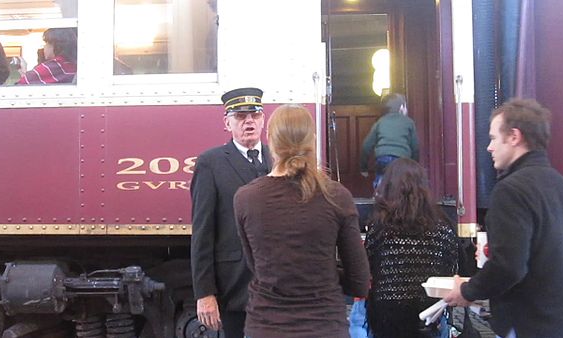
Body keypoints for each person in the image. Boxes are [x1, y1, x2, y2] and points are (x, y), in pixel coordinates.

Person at [233, 104, 370, 338]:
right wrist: (322, 272)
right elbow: (360, 282)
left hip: (265, 328)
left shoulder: (246, 198)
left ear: (271, 141)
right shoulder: (336, 196)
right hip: (325, 327)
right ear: (313, 140)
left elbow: (257, 267)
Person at [444, 99, 563, 338]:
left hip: (528, 323)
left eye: (494, 138)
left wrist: (467, 291)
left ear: (514, 136)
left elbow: (509, 266)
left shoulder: (511, 190)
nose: (489, 147)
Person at [190, 87, 272, 338]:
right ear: (227, 123)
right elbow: (203, 232)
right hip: (235, 286)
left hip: (277, 284)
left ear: (263, 119)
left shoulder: (278, 158)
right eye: (240, 116)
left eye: (255, 115)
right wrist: (205, 293)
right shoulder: (211, 163)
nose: (249, 121)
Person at [364, 158, 458, 338]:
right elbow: (452, 269)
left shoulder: (379, 227)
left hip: (386, 318)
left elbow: (368, 267)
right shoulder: (443, 226)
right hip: (430, 315)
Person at [360, 93, 419, 188]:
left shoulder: (380, 122)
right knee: (401, 183)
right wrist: (415, 164)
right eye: (405, 106)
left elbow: (366, 146)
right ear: (401, 107)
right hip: (401, 159)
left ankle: (379, 193)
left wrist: (364, 168)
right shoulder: (408, 122)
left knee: (381, 179)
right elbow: (415, 147)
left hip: (383, 158)